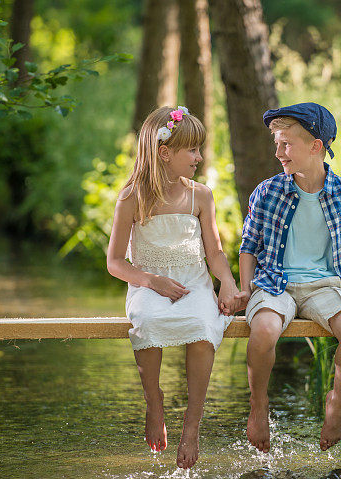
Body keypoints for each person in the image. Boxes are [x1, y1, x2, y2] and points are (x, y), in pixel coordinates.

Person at [235, 102, 341, 453]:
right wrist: (244, 291)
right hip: (275, 284)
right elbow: (248, 247)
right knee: (264, 331)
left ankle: (336, 404)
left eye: (286, 144)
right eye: (277, 143)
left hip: (325, 287)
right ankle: (258, 406)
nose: (278, 152)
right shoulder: (268, 191)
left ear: (316, 146)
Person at [106, 106, 239, 469]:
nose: (199, 157)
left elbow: (215, 253)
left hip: (194, 284)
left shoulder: (201, 196)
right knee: (147, 322)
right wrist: (152, 281)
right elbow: (115, 262)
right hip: (150, 285)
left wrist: (226, 282)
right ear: (165, 152)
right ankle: (154, 401)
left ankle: (192, 426)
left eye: (199, 149)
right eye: (192, 150)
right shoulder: (131, 197)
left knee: (202, 326)